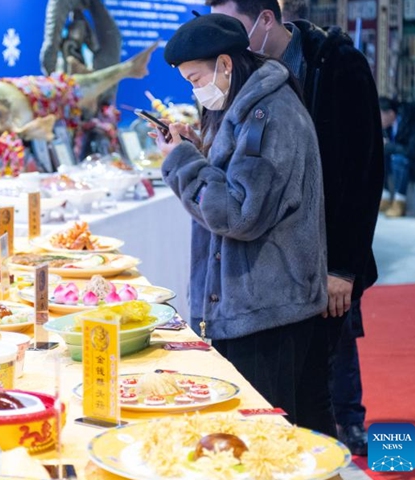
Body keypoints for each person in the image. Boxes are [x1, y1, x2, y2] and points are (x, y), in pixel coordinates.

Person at [207, 0, 384, 455]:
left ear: (266, 19)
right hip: (279, 258)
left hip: (330, 246)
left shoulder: (334, 62)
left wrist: (344, 265)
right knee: (306, 375)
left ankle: (349, 433)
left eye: (235, 25)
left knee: (332, 353)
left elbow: (364, 169)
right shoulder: (244, 73)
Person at [155, 14, 330, 436]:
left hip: (265, 312)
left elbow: (238, 213)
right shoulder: (253, 107)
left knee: (263, 439)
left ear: (226, 65)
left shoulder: (268, 115)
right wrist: (198, 151)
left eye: (197, 78)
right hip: (260, 305)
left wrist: (181, 162)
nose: (196, 90)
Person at [379, 97, 415, 217]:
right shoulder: (388, 127)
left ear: (391, 114)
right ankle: (385, 197)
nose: (378, 119)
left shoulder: (413, 125)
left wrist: (390, 146)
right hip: (407, 165)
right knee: (382, 157)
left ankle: (399, 202)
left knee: (398, 159)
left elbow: (414, 152)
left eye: (380, 114)